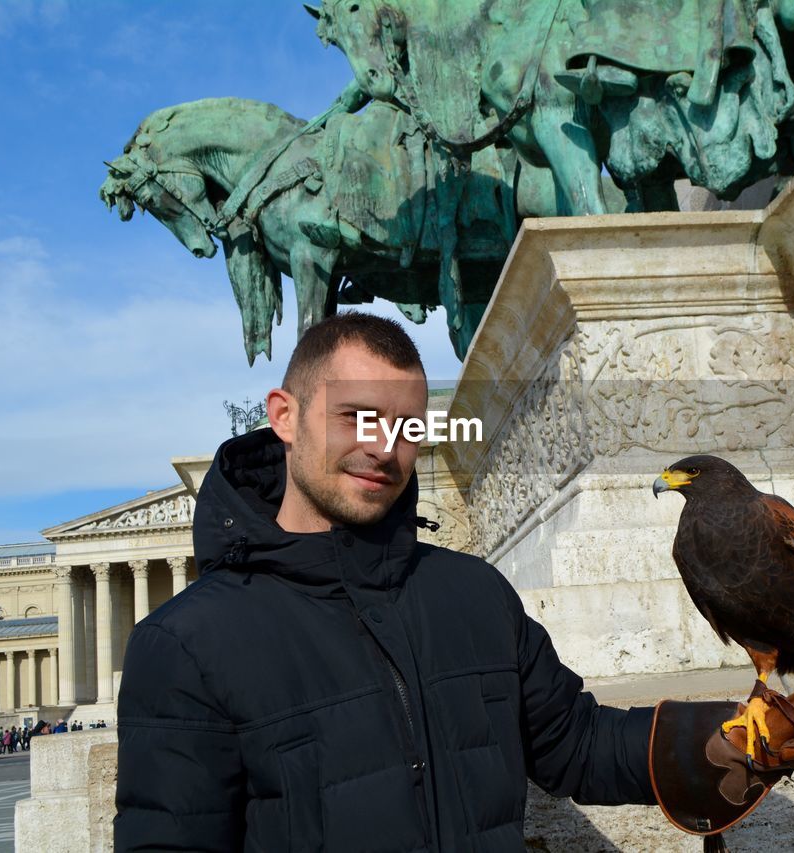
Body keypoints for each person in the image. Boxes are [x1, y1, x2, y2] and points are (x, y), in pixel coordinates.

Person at [115, 313, 696, 851]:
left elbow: (577, 744)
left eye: (407, 427)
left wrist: (732, 741)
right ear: (284, 416)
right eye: (356, 417)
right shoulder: (184, 645)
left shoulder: (476, 593)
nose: (383, 449)